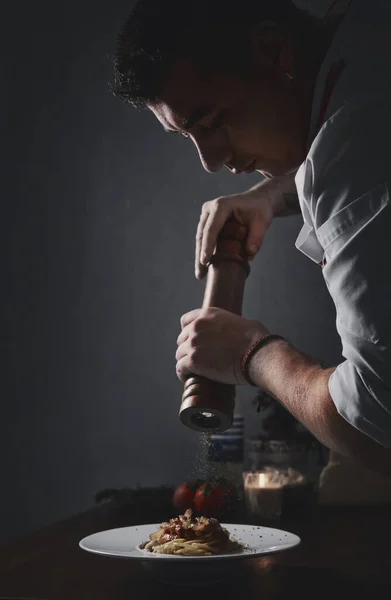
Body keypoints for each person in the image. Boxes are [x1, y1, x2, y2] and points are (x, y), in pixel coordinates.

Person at [112, 0, 391, 473]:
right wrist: (272, 195)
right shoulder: (366, 29)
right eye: (188, 136)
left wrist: (252, 355)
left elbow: (375, 428)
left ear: (273, 49)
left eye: (211, 120)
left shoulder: (353, 148)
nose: (211, 160)